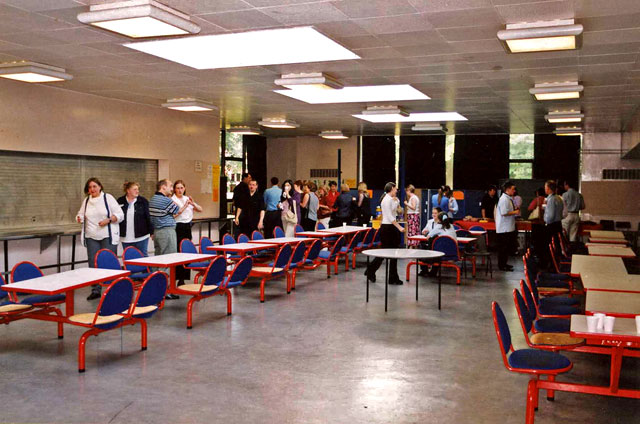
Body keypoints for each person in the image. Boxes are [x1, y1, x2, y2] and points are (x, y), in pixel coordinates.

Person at [76, 177, 124, 300]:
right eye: (90, 187)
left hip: (107, 235)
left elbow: (120, 214)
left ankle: (113, 287)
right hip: (91, 236)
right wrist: (79, 218)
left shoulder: (108, 198)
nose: (92, 189)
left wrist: (108, 220)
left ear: (100, 187)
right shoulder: (86, 201)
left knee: (108, 261)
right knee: (93, 263)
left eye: (94, 186)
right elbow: (81, 214)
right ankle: (95, 289)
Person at [149, 179, 185, 300]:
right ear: (163, 187)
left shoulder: (153, 199)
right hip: (167, 232)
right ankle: (164, 291)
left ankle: (155, 288)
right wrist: (185, 205)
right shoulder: (166, 200)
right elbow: (177, 210)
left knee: (158, 260)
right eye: (170, 186)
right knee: (168, 261)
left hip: (157, 232)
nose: (171, 188)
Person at [364, 182, 405, 285]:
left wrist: (397, 202)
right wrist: (399, 227)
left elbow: (397, 212)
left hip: (392, 228)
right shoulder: (386, 200)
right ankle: (371, 270)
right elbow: (390, 217)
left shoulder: (393, 199)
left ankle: (393, 277)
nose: (397, 190)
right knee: (384, 253)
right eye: (395, 188)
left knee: (394, 253)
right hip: (387, 228)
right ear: (391, 188)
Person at [172, 180, 202, 286]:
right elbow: (174, 214)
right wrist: (184, 206)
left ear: (184, 188)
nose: (180, 190)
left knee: (186, 252)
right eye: (178, 188)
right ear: (174, 189)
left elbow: (200, 209)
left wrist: (192, 203)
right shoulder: (172, 200)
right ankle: (176, 277)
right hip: (178, 227)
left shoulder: (187, 199)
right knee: (178, 252)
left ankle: (183, 278)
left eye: (181, 188)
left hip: (187, 227)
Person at [118, 181, 153, 256]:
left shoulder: (143, 201)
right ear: (128, 191)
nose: (137, 191)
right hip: (126, 237)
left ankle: (146, 268)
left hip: (141, 236)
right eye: (135, 189)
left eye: (138, 189)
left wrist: (152, 231)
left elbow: (148, 217)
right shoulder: (120, 201)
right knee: (129, 257)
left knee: (142, 256)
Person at [495, 181, 519, 271]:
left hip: (508, 227)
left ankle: (504, 263)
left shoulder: (508, 198)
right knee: (503, 248)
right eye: (513, 189)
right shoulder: (504, 199)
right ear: (507, 189)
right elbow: (504, 212)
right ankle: (502, 265)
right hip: (504, 228)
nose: (514, 190)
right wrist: (515, 212)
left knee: (506, 248)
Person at [544, 180, 564, 262]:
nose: (545, 189)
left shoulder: (551, 199)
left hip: (552, 225)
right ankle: (557, 260)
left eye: (545, 187)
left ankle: (552, 262)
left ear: (548, 189)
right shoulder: (559, 198)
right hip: (558, 223)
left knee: (551, 245)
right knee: (556, 244)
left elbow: (551, 215)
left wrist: (545, 220)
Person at [528, 187, 546, 262]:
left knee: (535, 239)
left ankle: (535, 254)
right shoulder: (547, 200)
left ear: (538, 193)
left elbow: (530, 208)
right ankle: (541, 254)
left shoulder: (537, 200)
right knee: (542, 240)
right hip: (544, 222)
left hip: (536, 222)